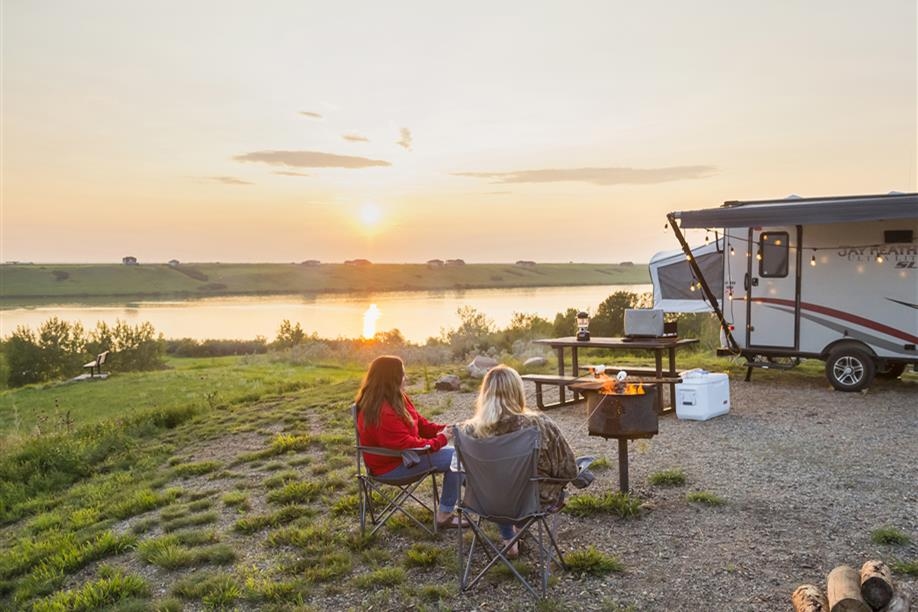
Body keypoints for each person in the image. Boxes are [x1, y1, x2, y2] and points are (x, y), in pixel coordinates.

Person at [459, 365, 577, 557]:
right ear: (517, 392)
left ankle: (510, 538)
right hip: (534, 502)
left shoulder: (468, 431)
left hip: (486, 503)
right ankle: (516, 534)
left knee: (499, 483)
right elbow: (569, 472)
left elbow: (464, 472)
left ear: (485, 393)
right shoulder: (539, 424)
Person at [355, 355, 465, 529]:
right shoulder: (383, 411)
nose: (405, 378)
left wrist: (446, 428)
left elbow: (420, 424)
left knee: (463, 457)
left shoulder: (397, 398)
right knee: (458, 459)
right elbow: (409, 444)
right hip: (391, 467)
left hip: (406, 457)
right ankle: (445, 515)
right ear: (393, 378)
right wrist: (442, 438)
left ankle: (483, 495)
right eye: (402, 374)